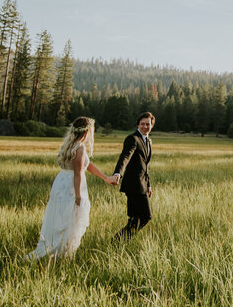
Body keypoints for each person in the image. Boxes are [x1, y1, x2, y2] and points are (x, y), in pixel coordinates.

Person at [27, 117, 119, 259]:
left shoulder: (70, 144)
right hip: (71, 186)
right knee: (72, 219)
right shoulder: (80, 147)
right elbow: (78, 173)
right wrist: (78, 197)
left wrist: (106, 178)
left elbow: (86, 165)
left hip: (61, 182)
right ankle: (62, 254)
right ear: (87, 132)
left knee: (60, 218)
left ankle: (56, 250)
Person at [112, 111, 156, 238]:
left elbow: (145, 166)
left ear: (151, 125)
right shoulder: (133, 139)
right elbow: (125, 157)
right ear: (138, 124)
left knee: (135, 218)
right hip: (133, 185)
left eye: (148, 124)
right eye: (142, 124)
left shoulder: (148, 141)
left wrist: (149, 185)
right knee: (146, 216)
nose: (145, 127)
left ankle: (121, 243)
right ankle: (117, 241)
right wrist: (117, 173)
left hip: (142, 185)